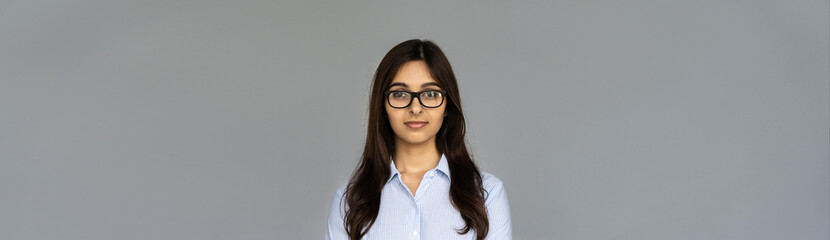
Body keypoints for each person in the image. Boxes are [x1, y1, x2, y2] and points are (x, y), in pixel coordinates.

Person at [326, 39, 512, 240]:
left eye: (430, 94)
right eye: (400, 94)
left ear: (447, 105)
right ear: (383, 107)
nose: (415, 108)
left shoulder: (487, 194)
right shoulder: (351, 201)